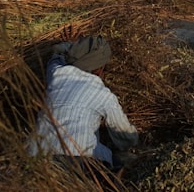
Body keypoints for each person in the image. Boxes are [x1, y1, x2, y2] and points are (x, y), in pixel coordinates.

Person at [27, 35, 139, 171]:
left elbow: (56, 53)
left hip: (36, 155)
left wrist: (70, 45)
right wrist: (131, 142)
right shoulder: (103, 94)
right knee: (121, 165)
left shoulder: (57, 72)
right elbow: (124, 135)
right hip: (79, 160)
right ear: (99, 69)